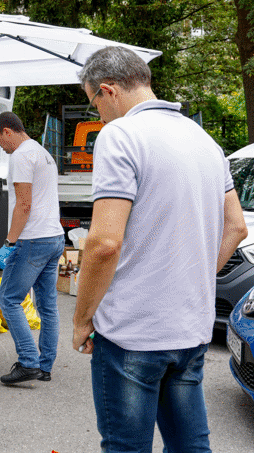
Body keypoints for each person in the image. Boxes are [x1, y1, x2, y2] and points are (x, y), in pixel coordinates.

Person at [72, 46, 248, 452]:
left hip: (134, 331)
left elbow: (103, 244)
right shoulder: (203, 139)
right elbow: (236, 227)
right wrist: (193, 280)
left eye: (93, 104)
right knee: (190, 445)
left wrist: (82, 320)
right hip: (190, 328)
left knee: (126, 447)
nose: (97, 116)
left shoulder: (119, 135)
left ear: (108, 90)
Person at [0, 112, 66, 385]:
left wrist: (9, 242)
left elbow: (24, 204)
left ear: (8, 132)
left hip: (33, 240)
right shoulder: (43, 153)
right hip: (54, 237)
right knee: (48, 307)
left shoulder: (21, 156)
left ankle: (28, 362)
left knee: (8, 299)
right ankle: (44, 366)